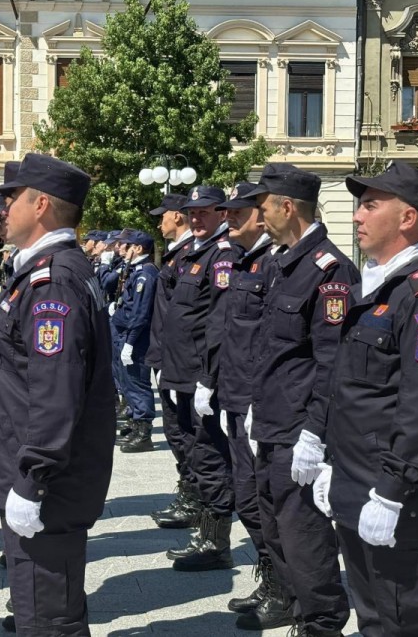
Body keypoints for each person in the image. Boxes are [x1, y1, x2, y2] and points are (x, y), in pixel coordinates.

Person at [316, 161, 418, 637]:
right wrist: (330, 462)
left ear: (407, 219)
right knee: (374, 619)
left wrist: (391, 491)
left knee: (405, 620)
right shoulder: (375, 292)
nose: (357, 216)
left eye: (370, 204)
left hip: (395, 498)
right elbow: (351, 391)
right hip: (355, 483)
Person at [0, 153, 115, 635]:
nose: (2, 209)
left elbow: (58, 392)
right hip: (40, 471)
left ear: (42, 205)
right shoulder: (43, 271)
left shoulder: (53, 279)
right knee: (48, 606)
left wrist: (32, 481)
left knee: (47, 617)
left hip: (46, 481)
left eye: (10, 198)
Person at [240, 163, 357, 634]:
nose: (260, 216)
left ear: (288, 207)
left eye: (265, 207)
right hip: (272, 423)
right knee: (274, 533)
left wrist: (315, 434)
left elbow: (332, 364)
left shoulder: (329, 272)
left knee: (305, 540)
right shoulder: (280, 264)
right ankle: (297, 612)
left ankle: (323, 624)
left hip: (299, 431)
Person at [160, 185, 237, 572]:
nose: (196, 218)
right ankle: (204, 529)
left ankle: (215, 541)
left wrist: (209, 377)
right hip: (180, 371)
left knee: (209, 455)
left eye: (204, 212)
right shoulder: (193, 254)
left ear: (221, 213)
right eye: (191, 212)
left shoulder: (221, 258)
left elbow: (219, 322)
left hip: (198, 374)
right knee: (193, 449)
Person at [212, 182, 275, 614]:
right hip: (236, 400)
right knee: (248, 498)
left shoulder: (275, 264)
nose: (228, 216)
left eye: (239, 210)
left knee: (268, 504)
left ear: (262, 213)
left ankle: (286, 586)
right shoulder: (246, 262)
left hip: (263, 407)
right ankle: (275, 577)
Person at [144, 194, 197, 527]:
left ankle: (194, 499)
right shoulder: (177, 256)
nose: (159, 221)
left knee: (186, 435)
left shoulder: (191, 255)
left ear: (177, 216)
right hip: (167, 359)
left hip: (182, 364)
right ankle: (188, 492)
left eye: (163, 215)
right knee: (176, 433)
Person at [112, 231, 160, 453]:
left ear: (138, 249)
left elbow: (141, 313)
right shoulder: (134, 270)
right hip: (126, 333)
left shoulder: (146, 274)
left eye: (127, 245)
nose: (123, 249)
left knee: (138, 383)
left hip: (137, 338)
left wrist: (130, 341)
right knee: (128, 380)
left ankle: (144, 433)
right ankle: (134, 423)